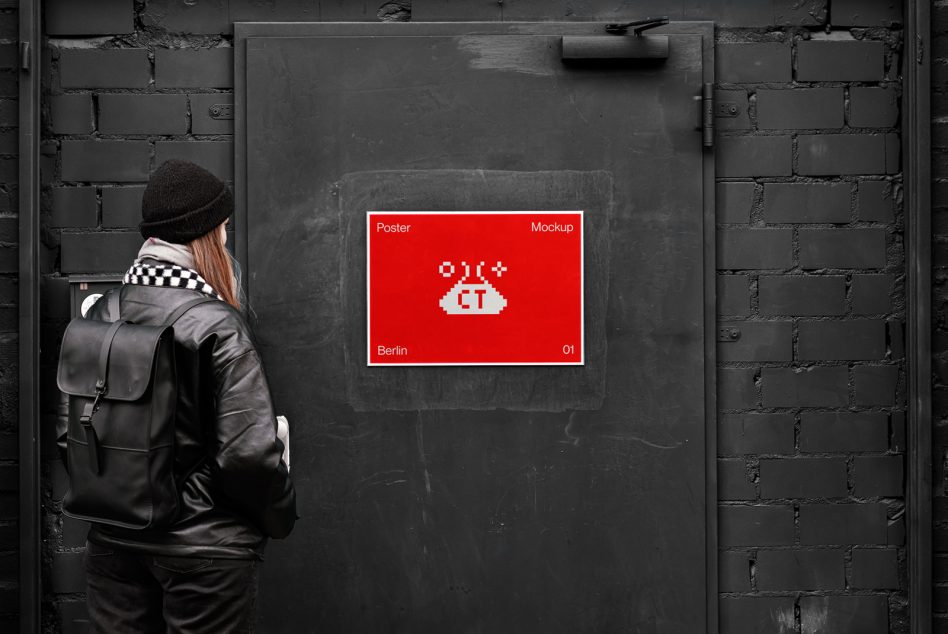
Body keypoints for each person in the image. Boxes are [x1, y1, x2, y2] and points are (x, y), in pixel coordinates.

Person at [57, 159, 297, 633]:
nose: (227, 240)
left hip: (116, 545)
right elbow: (248, 455)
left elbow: (72, 435)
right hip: (206, 555)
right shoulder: (217, 323)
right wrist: (279, 515)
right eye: (223, 228)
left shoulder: (101, 312)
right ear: (205, 234)